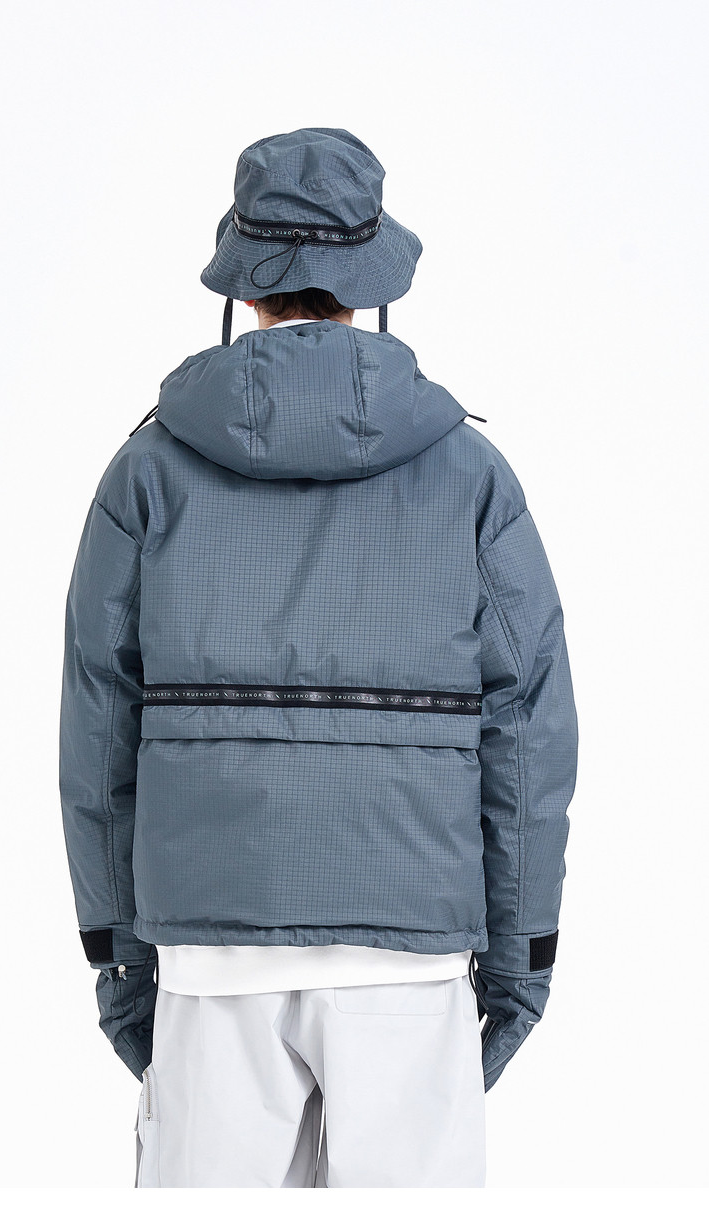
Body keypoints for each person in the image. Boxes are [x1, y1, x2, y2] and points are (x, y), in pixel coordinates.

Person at [58, 127, 578, 1189]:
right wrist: (520, 956)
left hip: (210, 947)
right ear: (370, 284)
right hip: (410, 945)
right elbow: (526, 729)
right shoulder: (470, 475)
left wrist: (119, 955)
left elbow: (98, 735)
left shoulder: (147, 472)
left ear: (246, 286)